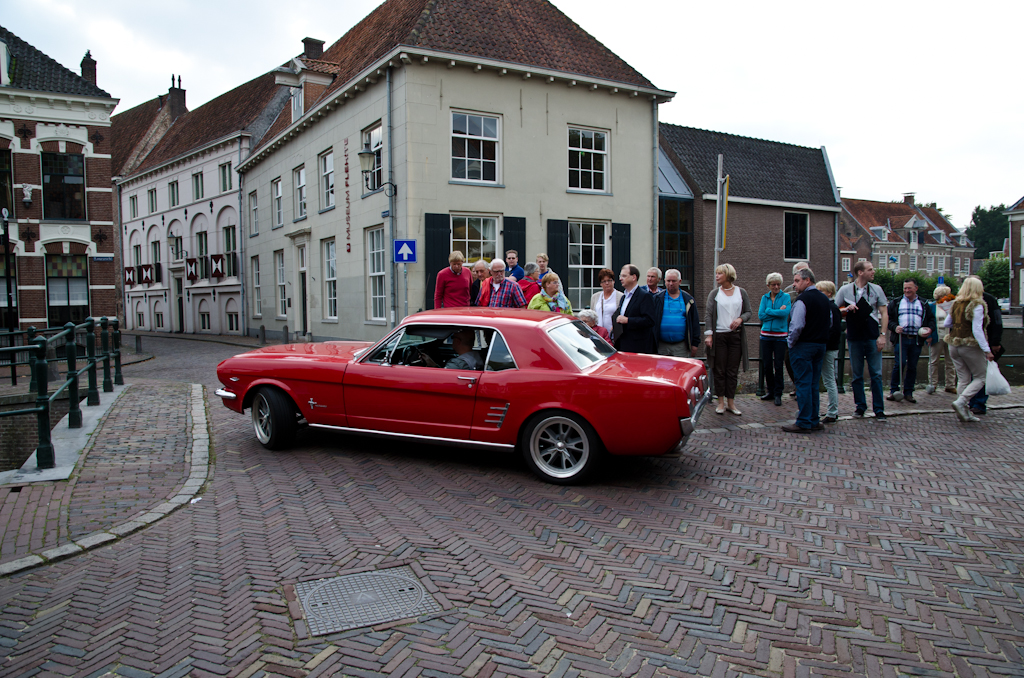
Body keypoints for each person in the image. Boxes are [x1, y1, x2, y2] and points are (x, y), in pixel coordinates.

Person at [835, 261, 889, 420]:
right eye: (870, 269)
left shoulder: (876, 289)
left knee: (876, 374)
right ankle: (860, 406)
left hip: (872, 336)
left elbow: (884, 313)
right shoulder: (845, 290)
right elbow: (834, 310)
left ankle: (879, 409)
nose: (873, 272)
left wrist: (883, 335)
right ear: (860, 272)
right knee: (857, 374)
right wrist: (846, 309)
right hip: (854, 337)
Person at [782, 268, 830, 433]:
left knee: (802, 383)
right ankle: (814, 419)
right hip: (820, 345)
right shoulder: (824, 299)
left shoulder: (802, 300)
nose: (794, 285)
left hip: (803, 346)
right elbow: (829, 322)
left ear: (807, 280)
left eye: (797, 281)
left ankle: (803, 421)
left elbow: (797, 325)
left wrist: (790, 343)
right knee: (813, 384)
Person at [943, 276, 995, 422]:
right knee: (981, 377)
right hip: (969, 345)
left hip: (953, 344)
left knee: (963, 378)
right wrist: (987, 350)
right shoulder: (977, 305)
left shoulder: (956, 304)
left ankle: (964, 412)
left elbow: (947, 323)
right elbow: (977, 329)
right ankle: (962, 402)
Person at [704, 263, 751, 416]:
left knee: (732, 371)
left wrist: (740, 319)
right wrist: (709, 334)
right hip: (720, 337)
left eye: (720, 274)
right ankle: (721, 402)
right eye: (716, 273)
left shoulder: (741, 292)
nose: (717, 276)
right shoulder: (715, 293)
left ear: (728, 275)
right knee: (719, 370)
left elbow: (749, 312)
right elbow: (709, 314)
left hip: (736, 336)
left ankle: (731, 402)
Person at [886, 279, 934, 403]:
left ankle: (908, 392)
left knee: (912, 366)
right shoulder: (896, 302)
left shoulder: (923, 303)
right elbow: (888, 319)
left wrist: (930, 329)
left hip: (916, 340)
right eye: (905, 288)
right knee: (899, 364)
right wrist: (895, 327)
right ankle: (894, 391)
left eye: (909, 288)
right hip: (901, 339)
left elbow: (931, 319)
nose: (907, 290)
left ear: (915, 288)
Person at [968, 285, 1004, 415]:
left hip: (984, 342)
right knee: (972, 374)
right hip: (970, 344)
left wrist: (995, 342)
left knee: (981, 373)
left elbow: (997, 321)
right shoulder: (966, 300)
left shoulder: (989, 300)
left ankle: (979, 403)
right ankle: (970, 401)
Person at [758, 272, 790, 406]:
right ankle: (770, 390)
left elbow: (785, 313)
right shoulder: (764, 298)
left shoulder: (786, 297)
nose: (776, 287)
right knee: (767, 365)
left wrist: (769, 311)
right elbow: (761, 315)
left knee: (778, 365)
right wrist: (776, 312)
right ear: (768, 286)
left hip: (780, 336)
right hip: (765, 336)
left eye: (778, 284)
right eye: (773, 285)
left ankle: (778, 393)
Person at [653, 268, 700, 357]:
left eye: (674, 281)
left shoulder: (689, 300)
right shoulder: (657, 299)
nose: (671, 284)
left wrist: (695, 344)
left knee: (681, 370)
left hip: (681, 347)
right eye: (668, 281)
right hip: (661, 346)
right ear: (664, 281)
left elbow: (695, 323)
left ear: (680, 281)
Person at [612, 264, 658, 353]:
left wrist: (628, 320)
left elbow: (650, 320)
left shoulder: (645, 296)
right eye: (620, 276)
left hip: (638, 347)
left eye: (624, 276)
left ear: (634, 277)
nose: (620, 278)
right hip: (623, 345)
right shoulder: (623, 297)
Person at [816, 280, 842, 424]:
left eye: (821, 291)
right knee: (828, 379)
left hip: (828, 348)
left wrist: (824, 344)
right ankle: (832, 410)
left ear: (829, 293)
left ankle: (833, 411)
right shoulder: (829, 307)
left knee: (829, 379)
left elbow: (834, 330)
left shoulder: (831, 308)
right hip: (827, 347)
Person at [782, 261, 810, 396]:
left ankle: (804, 389)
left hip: (809, 334)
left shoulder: (815, 291)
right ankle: (797, 385)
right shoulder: (788, 291)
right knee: (788, 360)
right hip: (791, 331)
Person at [926, 285, 956, 394]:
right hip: (937, 335)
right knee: (934, 361)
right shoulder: (932, 306)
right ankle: (933, 384)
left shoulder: (951, 306)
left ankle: (950, 384)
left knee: (951, 361)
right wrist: (928, 336)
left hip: (950, 335)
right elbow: (928, 321)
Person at [589, 268, 622, 336]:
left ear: (613, 281)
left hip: (613, 334)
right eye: (604, 281)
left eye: (609, 280)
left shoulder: (621, 296)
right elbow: (591, 316)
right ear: (601, 283)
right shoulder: (595, 297)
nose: (607, 283)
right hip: (598, 334)